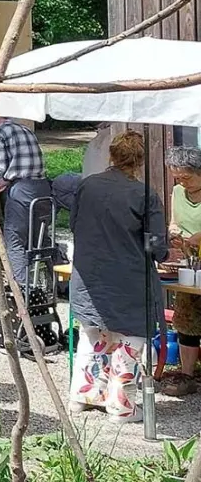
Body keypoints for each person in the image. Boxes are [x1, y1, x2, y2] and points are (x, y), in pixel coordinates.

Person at [69, 132, 166, 420]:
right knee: (130, 339)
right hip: (127, 276)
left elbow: (74, 224)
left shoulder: (87, 186)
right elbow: (156, 247)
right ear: (140, 161)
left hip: (89, 275)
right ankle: (120, 405)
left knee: (92, 334)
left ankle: (84, 395)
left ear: (111, 155)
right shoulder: (143, 194)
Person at [0, 117, 50, 287]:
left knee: (15, 240)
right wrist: (1, 183)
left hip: (21, 191)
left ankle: (21, 289)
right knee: (40, 239)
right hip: (42, 187)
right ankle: (57, 283)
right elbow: (23, 167)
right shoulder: (25, 130)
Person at [164, 146, 201, 397]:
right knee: (186, 318)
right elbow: (175, 222)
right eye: (178, 177)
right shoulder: (178, 193)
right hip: (192, 264)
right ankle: (187, 375)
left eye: (187, 177)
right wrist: (175, 234)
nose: (182, 182)